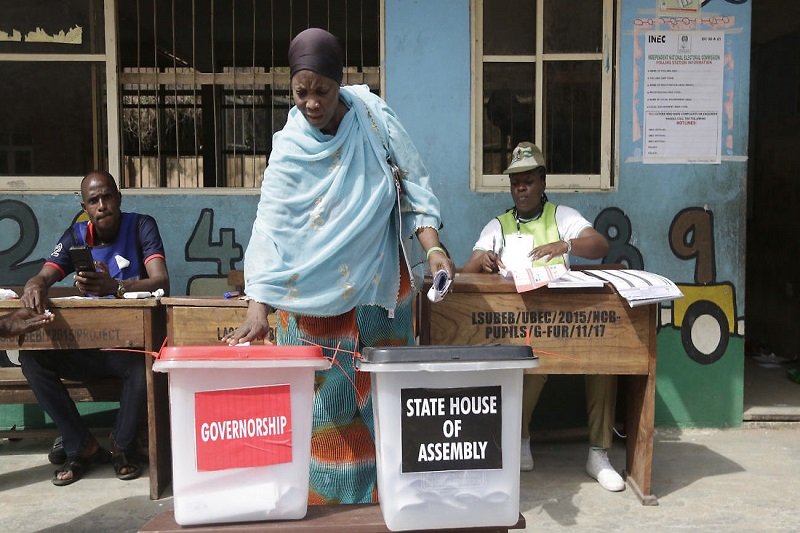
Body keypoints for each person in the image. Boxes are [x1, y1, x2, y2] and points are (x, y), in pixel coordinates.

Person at [222, 28, 454, 504]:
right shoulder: (288, 148)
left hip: (379, 291)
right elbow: (271, 228)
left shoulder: (372, 117)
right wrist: (257, 309)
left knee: (384, 405)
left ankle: (386, 505)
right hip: (312, 304)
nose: (311, 103)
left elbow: (412, 184)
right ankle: (323, 510)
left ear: (339, 81)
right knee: (323, 414)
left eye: (321, 91)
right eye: (300, 92)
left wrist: (433, 249)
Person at [462, 142, 624, 492]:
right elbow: (468, 267)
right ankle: (520, 439)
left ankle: (599, 454)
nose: (521, 188)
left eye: (528, 181)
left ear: (543, 182)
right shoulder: (499, 225)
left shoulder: (561, 217)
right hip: (521, 325)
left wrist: (564, 246)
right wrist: (485, 261)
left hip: (566, 322)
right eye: (515, 182)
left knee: (605, 361)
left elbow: (599, 246)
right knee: (529, 356)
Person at [19, 170, 170, 486]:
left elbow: (161, 281)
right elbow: (45, 275)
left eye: (107, 197)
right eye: (94, 200)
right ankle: (80, 445)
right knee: (32, 359)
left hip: (126, 346)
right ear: (85, 206)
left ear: (118, 198)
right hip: (85, 346)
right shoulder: (75, 236)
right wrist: (34, 284)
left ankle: (121, 446)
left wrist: (115, 287)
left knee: (142, 365)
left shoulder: (142, 226)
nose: (102, 206)